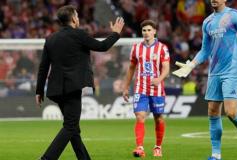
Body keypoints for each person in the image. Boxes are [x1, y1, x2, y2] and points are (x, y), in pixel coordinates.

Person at [172, 0, 237, 159]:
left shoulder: (235, 15)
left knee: (231, 112)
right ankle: (216, 155)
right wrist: (191, 65)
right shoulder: (207, 22)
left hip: (233, 69)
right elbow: (205, 50)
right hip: (214, 72)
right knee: (213, 112)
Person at [35, 5, 124, 160]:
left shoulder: (50, 39)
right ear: (73, 18)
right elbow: (102, 46)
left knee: (73, 128)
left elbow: (43, 67)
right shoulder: (79, 34)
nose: (78, 18)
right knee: (70, 126)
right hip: (72, 88)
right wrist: (116, 33)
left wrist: (39, 91)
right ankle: (46, 158)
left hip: (56, 89)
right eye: (76, 15)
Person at [122, 20, 170, 158]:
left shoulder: (162, 48)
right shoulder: (136, 48)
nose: (146, 33)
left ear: (154, 31)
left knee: (158, 118)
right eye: (144, 30)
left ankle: (158, 147)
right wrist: (125, 87)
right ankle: (140, 148)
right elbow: (131, 68)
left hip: (157, 89)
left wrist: (159, 79)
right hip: (140, 88)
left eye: (149, 30)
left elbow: (166, 68)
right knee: (140, 116)